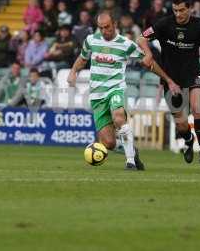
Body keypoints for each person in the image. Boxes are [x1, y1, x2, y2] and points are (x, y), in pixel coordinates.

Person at [67, 11, 180, 170]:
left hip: (115, 89)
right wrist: (73, 71)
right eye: (101, 28)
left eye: (107, 27)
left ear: (115, 25)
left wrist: (168, 80)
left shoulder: (125, 44)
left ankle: (130, 162)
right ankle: (132, 150)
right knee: (109, 143)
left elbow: (149, 63)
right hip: (96, 95)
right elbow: (82, 58)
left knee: (119, 117)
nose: (104, 31)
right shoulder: (91, 41)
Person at [138, 0, 200, 166]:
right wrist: (147, 53)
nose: (178, 14)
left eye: (182, 10)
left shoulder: (199, 26)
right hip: (170, 78)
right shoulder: (164, 24)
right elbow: (142, 37)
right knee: (182, 125)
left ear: (190, 9)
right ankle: (189, 140)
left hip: (192, 74)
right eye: (175, 10)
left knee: (197, 108)